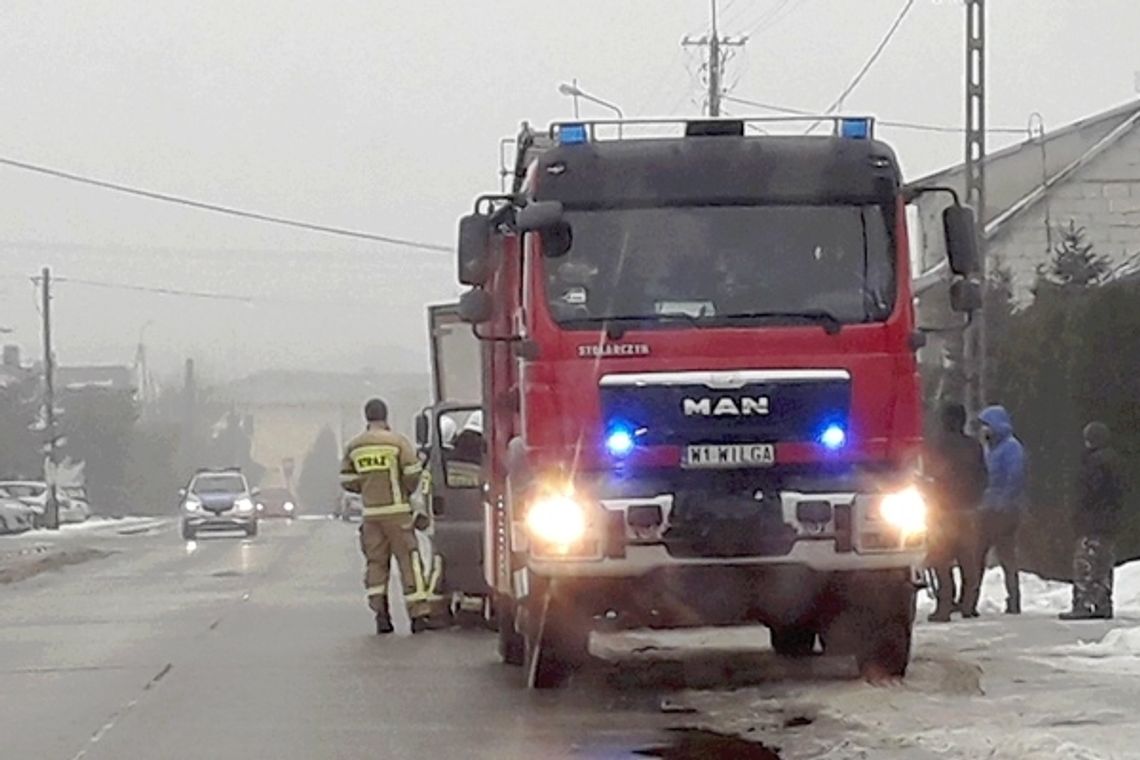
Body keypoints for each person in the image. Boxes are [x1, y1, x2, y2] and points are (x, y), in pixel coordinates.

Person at [340, 398, 433, 635]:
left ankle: (381, 614)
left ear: (366, 417)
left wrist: (367, 486)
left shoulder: (354, 446)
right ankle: (418, 616)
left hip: (371, 515)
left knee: (376, 564)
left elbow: (347, 481)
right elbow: (413, 474)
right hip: (398, 512)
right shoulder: (397, 442)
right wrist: (404, 490)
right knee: (409, 561)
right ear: (385, 416)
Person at [924, 402, 987, 622]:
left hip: (942, 511)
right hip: (969, 510)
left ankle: (944, 606)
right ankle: (969, 604)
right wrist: (975, 498)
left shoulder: (935, 445)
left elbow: (928, 476)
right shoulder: (974, 446)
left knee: (941, 561)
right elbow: (983, 477)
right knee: (969, 561)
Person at [1060, 422, 1126, 620]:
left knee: (1085, 563)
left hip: (1092, 521)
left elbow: (1087, 493)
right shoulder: (1116, 461)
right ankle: (1103, 603)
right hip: (1110, 522)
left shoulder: (1093, 463)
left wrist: (1076, 514)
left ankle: (1083, 603)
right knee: (1104, 564)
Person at [975, 405, 1027, 615]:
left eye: (986, 425)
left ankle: (1013, 599)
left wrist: (1002, 502)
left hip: (1003, 511)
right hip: (989, 508)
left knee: (1001, 555)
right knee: (984, 554)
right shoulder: (992, 447)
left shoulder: (1011, 448)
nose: (983, 430)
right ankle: (972, 599)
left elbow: (1015, 477)